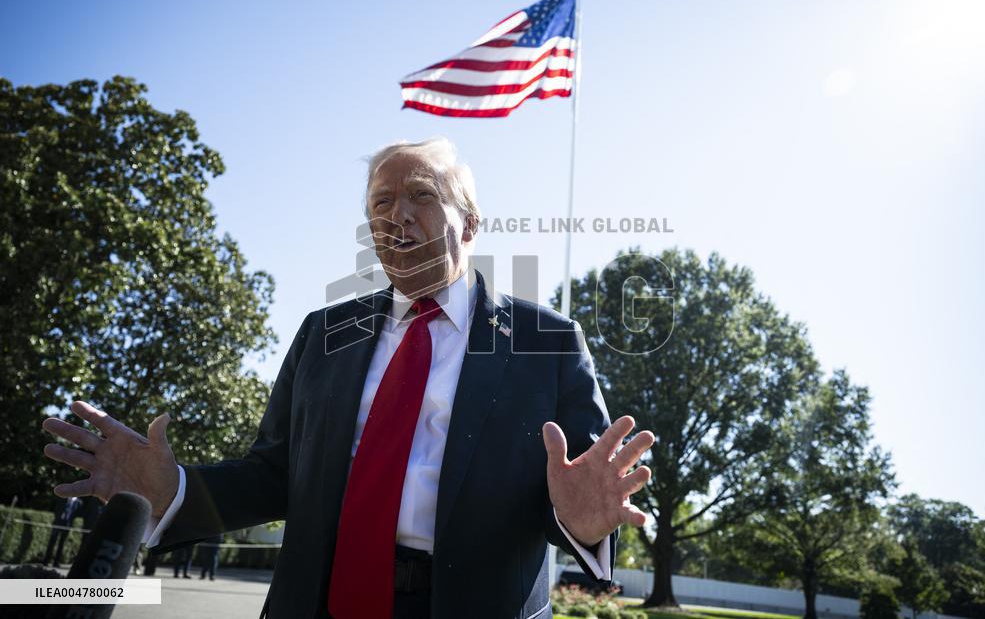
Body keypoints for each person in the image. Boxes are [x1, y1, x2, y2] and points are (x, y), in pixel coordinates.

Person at [41, 137, 655, 619]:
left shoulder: (545, 344)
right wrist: (173, 488)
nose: (397, 216)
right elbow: (273, 475)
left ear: (469, 224)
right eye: (380, 204)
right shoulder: (323, 333)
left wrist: (578, 522)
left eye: (419, 196)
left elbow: (579, 488)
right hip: (318, 604)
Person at [42, 496, 80, 567]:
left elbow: (76, 514)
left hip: (67, 524)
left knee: (61, 544)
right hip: (58, 522)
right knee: (52, 541)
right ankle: (46, 560)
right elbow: (56, 507)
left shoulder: (78, 502)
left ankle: (56, 562)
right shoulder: (63, 498)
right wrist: (58, 517)